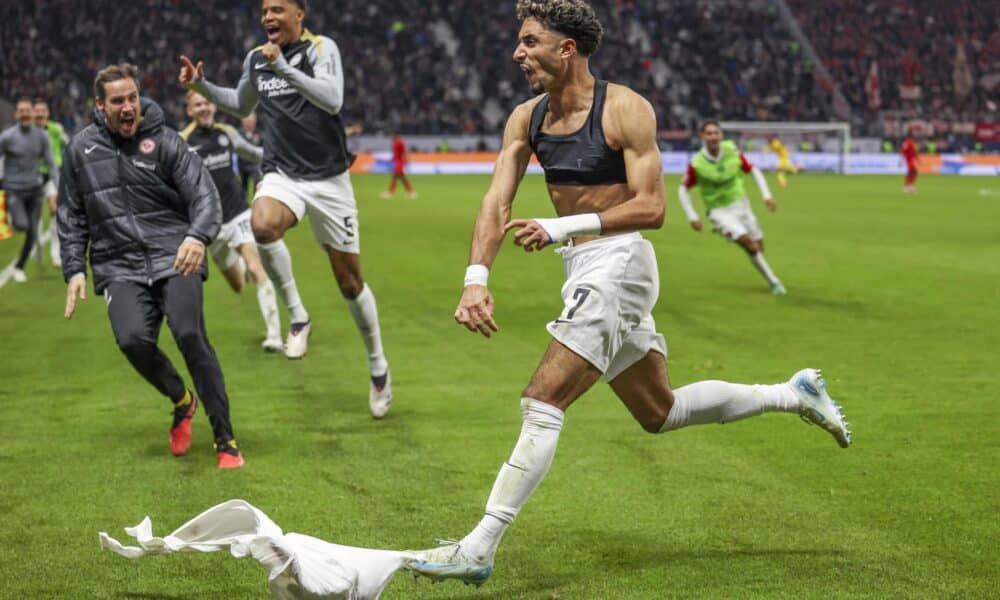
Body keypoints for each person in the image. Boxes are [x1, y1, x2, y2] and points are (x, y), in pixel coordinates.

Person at [404, 0, 851, 586]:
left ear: (567, 49)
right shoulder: (526, 118)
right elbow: (496, 202)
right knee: (659, 411)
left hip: (620, 261)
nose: (518, 53)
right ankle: (792, 394)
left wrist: (562, 226)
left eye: (530, 42)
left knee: (543, 399)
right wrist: (475, 279)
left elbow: (653, 207)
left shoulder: (625, 109)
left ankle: (479, 546)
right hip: (583, 264)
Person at [179, 0, 393, 418]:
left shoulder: (320, 50)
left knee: (350, 283)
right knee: (262, 226)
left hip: (330, 180)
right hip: (283, 174)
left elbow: (332, 100)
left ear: (300, 14)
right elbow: (241, 105)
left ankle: (378, 366)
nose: (268, 18)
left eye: (278, 9)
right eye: (264, 12)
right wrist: (202, 86)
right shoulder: (257, 59)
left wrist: (284, 70)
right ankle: (298, 317)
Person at [59, 64, 244, 469]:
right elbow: (71, 215)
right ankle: (182, 400)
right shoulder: (80, 151)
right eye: (118, 101)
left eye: (132, 98)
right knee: (130, 341)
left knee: (190, 333)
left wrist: (197, 237)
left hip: (175, 253)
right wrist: (74, 269)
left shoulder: (167, 142)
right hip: (118, 264)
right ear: (100, 105)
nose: (128, 107)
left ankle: (225, 438)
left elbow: (205, 196)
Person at [181, 90, 283, 352]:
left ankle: (274, 335)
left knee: (256, 266)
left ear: (214, 106)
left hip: (238, 213)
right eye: (197, 104)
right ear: (189, 110)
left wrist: (282, 157)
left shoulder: (227, 133)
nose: (203, 108)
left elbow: (252, 153)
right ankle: (239, 261)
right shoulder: (183, 142)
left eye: (207, 103)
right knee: (238, 285)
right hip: (209, 225)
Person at [678, 122, 787, 295]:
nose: (713, 136)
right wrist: (692, 216)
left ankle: (764, 270)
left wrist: (766, 196)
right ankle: (774, 282)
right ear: (703, 137)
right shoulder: (697, 163)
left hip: (742, 206)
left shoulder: (732, 152)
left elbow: (754, 171)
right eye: (709, 133)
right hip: (719, 212)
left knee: (758, 247)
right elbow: (683, 189)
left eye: (716, 133)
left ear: (721, 135)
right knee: (749, 245)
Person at [0, 97, 57, 283]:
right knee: (22, 225)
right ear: (17, 114)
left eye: (28, 110)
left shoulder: (42, 137)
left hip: (35, 190)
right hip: (14, 189)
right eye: (21, 111)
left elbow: (51, 163)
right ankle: (12, 217)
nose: (25, 114)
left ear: (32, 114)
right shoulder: (7, 137)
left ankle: (19, 267)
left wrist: (58, 185)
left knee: (33, 232)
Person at [33, 98, 70, 268]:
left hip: (52, 175)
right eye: (37, 111)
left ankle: (56, 252)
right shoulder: (28, 131)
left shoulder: (56, 129)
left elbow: (69, 144)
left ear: (47, 113)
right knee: (35, 216)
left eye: (43, 111)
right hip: (32, 177)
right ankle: (37, 247)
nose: (40, 113)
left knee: (55, 211)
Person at [379, 132, 416, 199]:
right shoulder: (395, 142)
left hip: (400, 162)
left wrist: (406, 160)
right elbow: (396, 153)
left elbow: (403, 152)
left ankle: (390, 193)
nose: (391, 137)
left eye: (391, 135)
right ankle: (411, 192)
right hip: (397, 161)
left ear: (395, 135)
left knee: (396, 177)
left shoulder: (400, 142)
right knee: (402, 178)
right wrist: (392, 159)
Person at [901, 130, 919, 194]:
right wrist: (902, 159)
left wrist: (917, 158)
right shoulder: (908, 142)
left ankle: (909, 186)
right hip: (909, 160)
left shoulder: (911, 141)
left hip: (911, 159)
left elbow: (914, 151)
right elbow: (903, 150)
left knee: (913, 172)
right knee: (913, 172)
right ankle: (908, 186)